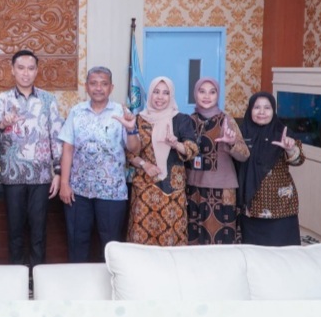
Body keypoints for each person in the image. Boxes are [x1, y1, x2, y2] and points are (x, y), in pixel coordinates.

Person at [0, 49, 64, 269]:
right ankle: (17, 275)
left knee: (39, 231)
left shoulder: (48, 100)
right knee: (15, 231)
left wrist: (58, 172)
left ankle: (38, 275)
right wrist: (3, 122)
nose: (25, 73)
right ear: (12, 70)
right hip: (12, 176)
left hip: (41, 177)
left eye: (30, 68)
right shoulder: (3, 99)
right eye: (21, 68)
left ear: (37, 71)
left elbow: (56, 137)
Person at [58, 66, 140, 263]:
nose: (98, 88)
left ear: (111, 87)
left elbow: (135, 149)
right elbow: (67, 149)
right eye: (93, 83)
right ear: (86, 86)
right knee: (77, 243)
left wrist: (131, 130)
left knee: (110, 245)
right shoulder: (76, 112)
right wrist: (64, 183)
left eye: (104, 84)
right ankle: (79, 282)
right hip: (78, 191)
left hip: (112, 191)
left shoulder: (122, 112)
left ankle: (111, 282)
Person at [126, 76, 198, 246]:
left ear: (171, 95)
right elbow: (129, 153)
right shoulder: (138, 119)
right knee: (142, 241)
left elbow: (192, 149)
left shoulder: (181, 119)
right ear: (150, 94)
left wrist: (176, 144)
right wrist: (144, 164)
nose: (160, 97)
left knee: (171, 240)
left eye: (165, 93)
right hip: (144, 189)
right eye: (156, 92)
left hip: (172, 191)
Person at [185, 77, 249, 245]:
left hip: (222, 189)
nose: (207, 96)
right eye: (202, 91)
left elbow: (244, 154)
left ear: (218, 95)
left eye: (212, 92)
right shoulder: (188, 121)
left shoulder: (227, 120)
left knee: (220, 239)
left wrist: (232, 142)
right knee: (195, 237)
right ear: (195, 94)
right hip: (193, 188)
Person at [237, 92, 305, 246]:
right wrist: (231, 145)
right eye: (257, 107)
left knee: (283, 253)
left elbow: (299, 160)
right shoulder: (241, 133)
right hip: (251, 207)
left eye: (267, 108)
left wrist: (290, 149)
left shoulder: (283, 133)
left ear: (273, 110)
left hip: (280, 207)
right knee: (255, 252)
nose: (262, 112)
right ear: (250, 110)